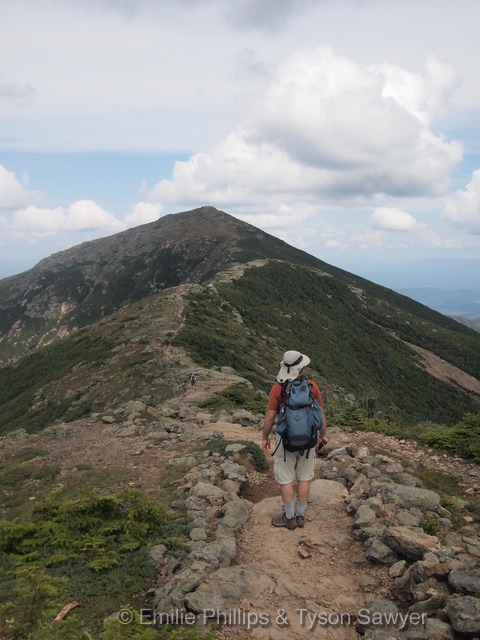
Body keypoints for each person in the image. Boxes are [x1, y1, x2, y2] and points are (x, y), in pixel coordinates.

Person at [262, 350, 328, 530]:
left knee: (286, 479)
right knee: (304, 478)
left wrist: (265, 437)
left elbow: (270, 416)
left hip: (285, 440)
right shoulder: (312, 386)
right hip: (308, 439)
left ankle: (289, 517)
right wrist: (322, 435)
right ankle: (300, 515)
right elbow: (320, 414)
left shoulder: (278, 388)